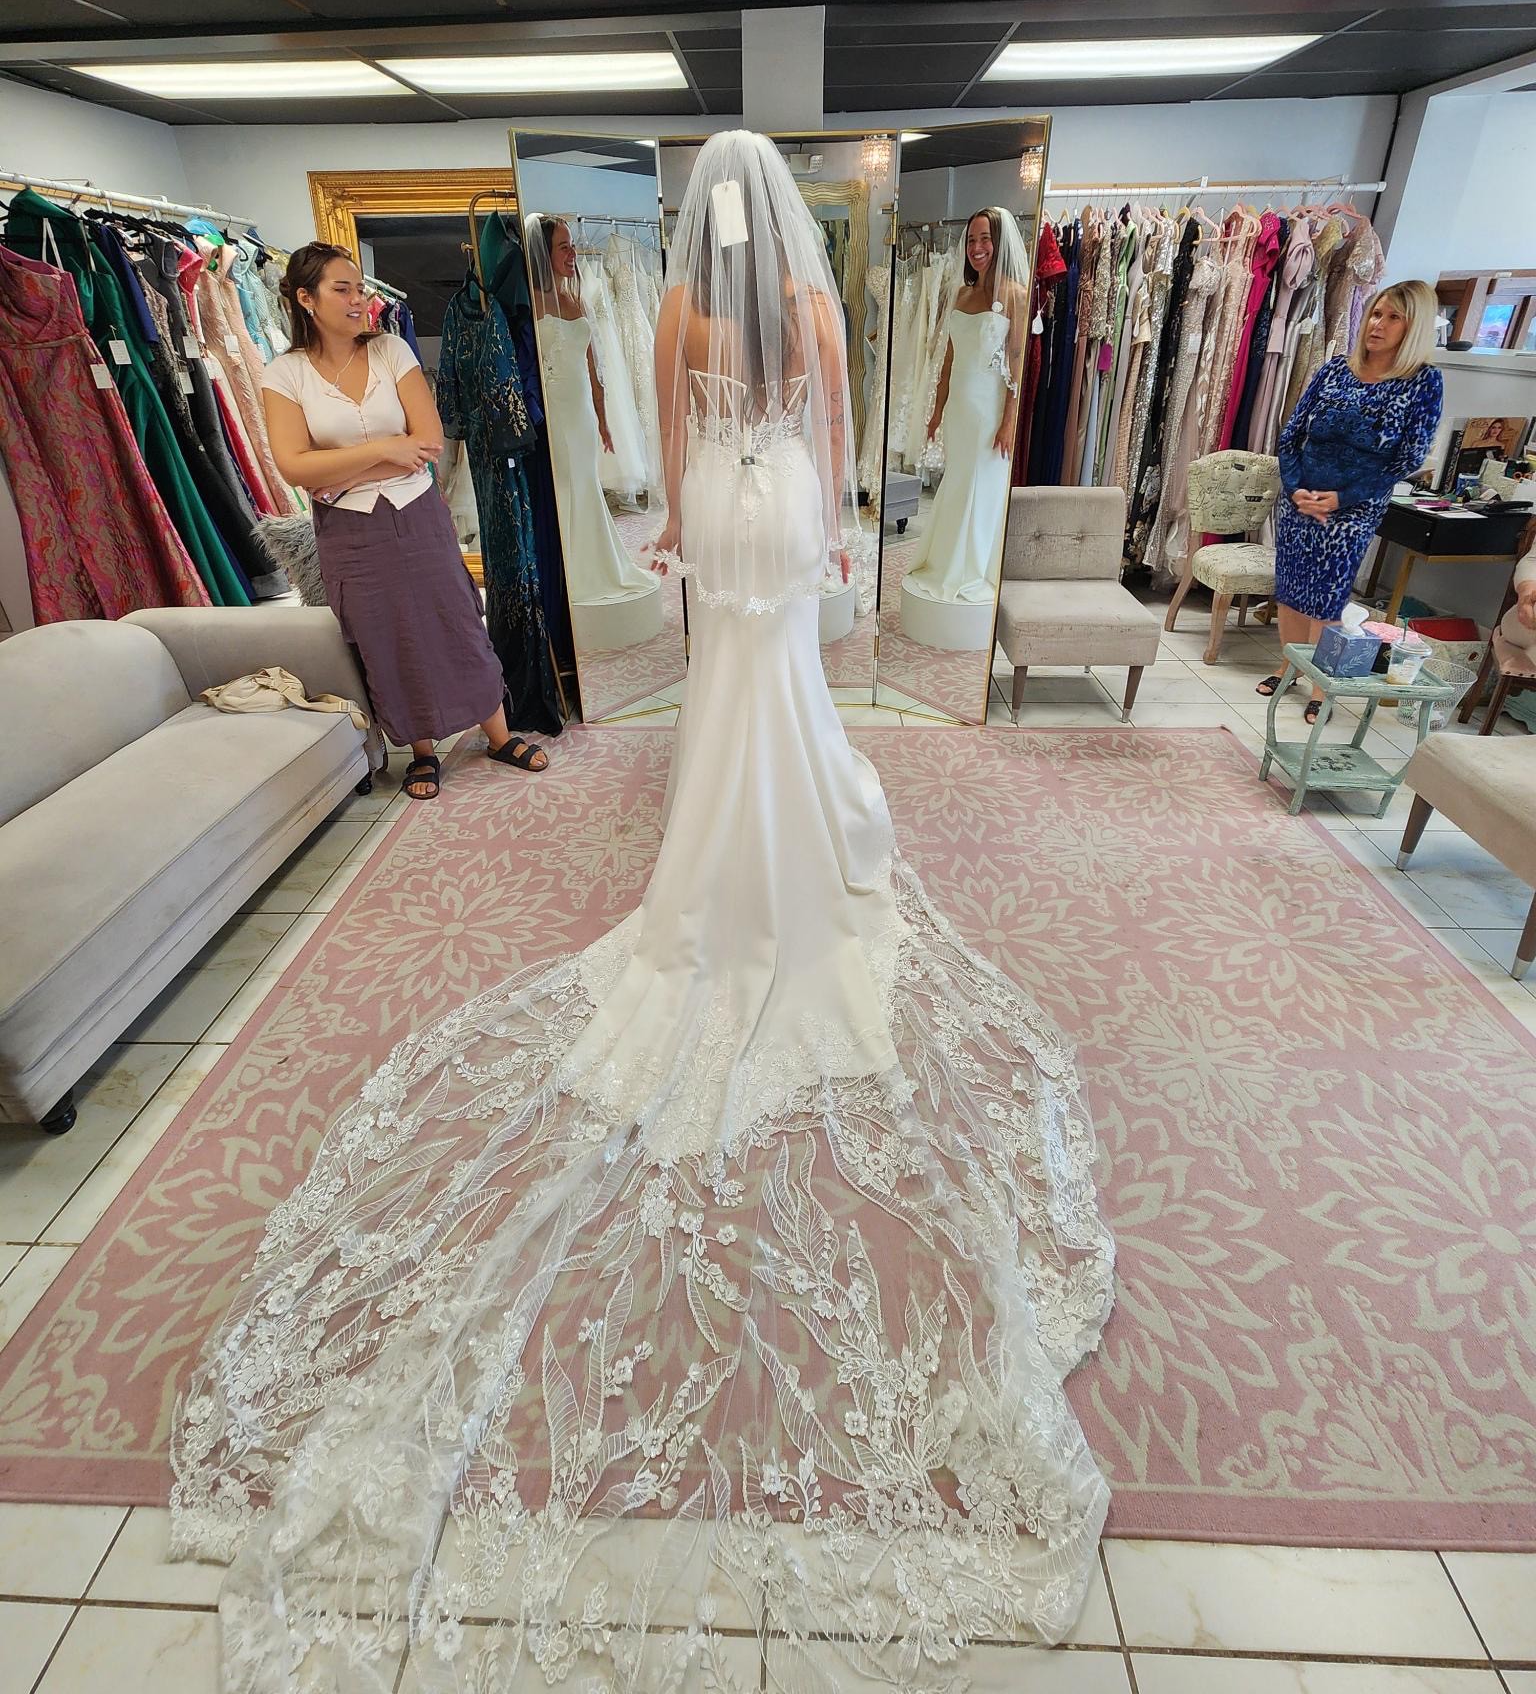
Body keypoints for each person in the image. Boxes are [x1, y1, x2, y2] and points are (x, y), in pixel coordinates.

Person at [173, 137, 1113, 1687]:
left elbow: (674, 445)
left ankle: (716, 868)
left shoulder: (676, 315)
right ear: (783, 229)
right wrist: (821, 523)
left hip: (724, 515)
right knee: (790, 678)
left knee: (724, 688)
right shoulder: (814, 313)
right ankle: (799, 849)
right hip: (787, 501)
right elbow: (830, 428)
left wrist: (685, 530)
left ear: (698, 230)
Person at [263, 242, 548, 796]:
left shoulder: (391, 350)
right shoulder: (285, 374)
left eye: (359, 288)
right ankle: (421, 749)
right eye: (341, 289)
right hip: (350, 531)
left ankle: (498, 733)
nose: (357, 299)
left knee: (456, 619)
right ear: (306, 299)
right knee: (386, 636)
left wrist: (339, 469)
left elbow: (428, 441)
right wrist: (385, 450)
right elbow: (294, 466)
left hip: (416, 512)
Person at [1259, 279, 1444, 721]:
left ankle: (1321, 685)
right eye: (1376, 313)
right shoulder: (1335, 369)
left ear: (1413, 326)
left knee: (1325, 597)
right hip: (1300, 499)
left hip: (1354, 510)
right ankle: (1288, 666)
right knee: (1290, 589)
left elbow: (1407, 457)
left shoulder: (1423, 382)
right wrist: (1296, 487)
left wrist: (1340, 499)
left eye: (1393, 317)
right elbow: (1292, 434)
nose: (1378, 324)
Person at [526, 213, 661, 611]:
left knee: (585, 483)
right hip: (554, 413)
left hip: (582, 412)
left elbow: (593, 366)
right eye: (563, 247)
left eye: (572, 246)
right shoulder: (529, 304)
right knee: (566, 486)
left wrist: (602, 420)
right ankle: (570, 570)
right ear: (543, 253)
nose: (573, 254)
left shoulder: (575, 299)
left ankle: (595, 566)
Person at [904, 206, 1030, 605]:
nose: (977, 247)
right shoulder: (961, 294)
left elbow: (1017, 363)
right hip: (960, 407)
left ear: (1000, 243)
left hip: (988, 409)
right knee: (958, 480)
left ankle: (972, 568)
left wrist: (1008, 422)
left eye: (985, 239)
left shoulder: (1016, 295)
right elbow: (948, 360)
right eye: (972, 239)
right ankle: (945, 560)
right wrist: (937, 411)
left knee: (982, 483)